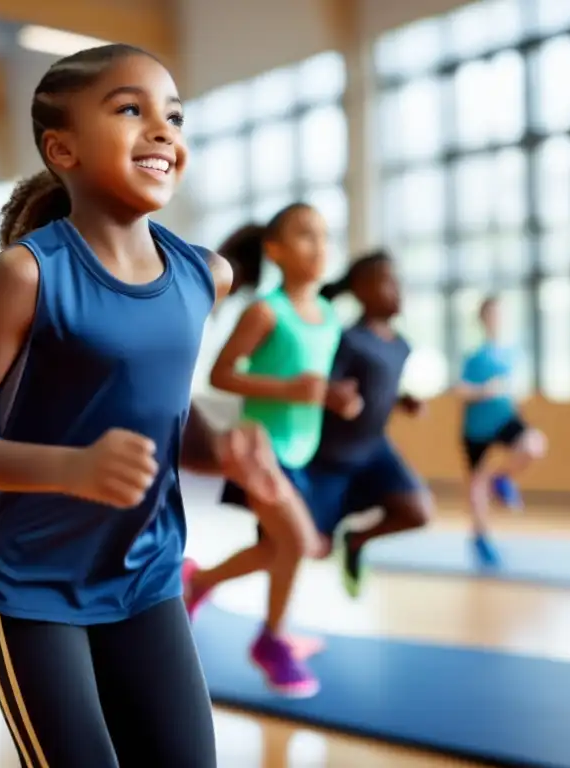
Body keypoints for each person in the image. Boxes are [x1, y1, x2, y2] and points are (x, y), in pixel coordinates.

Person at [0, 43, 285, 768]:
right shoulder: (23, 276)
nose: (162, 130)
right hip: (29, 585)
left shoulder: (203, 275)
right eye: (130, 110)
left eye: (173, 116)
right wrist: (74, 467)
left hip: (146, 575)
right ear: (63, 148)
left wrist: (227, 446)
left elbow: (164, 414)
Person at [182, 206, 360, 698]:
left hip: (303, 453)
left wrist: (334, 397)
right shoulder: (266, 311)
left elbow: (312, 386)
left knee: (280, 548)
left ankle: (202, 583)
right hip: (260, 453)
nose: (320, 246)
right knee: (302, 544)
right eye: (305, 236)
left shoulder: (328, 316)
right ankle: (270, 640)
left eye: (325, 235)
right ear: (276, 251)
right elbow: (220, 374)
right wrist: (289, 390)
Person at [307, 249, 433, 598]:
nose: (397, 290)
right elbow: (326, 387)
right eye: (387, 282)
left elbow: (380, 390)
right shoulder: (348, 339)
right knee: (316, 548)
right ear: (361, 290)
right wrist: (336, 396)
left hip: (375, 449)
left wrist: (403, 399)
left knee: (419, 511)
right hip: (333, 458)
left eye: (399, 282)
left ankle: (357, 539)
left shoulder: (401, 345)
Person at [456, 295, 547, 566]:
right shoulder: (475, 357)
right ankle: (480, 538)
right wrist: (484, 390)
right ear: (483, 319)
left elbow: (519, 387)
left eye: (500, 314)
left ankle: (501, 478)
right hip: (476, 428)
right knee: (476, 484)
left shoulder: (512, 353)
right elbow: (461, 390)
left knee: (533, 444)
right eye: (492, 314)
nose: (497, 320)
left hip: (505, 419)